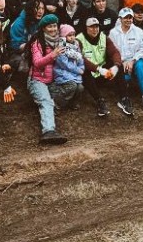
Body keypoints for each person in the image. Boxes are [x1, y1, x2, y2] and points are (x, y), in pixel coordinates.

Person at [26, 14, 79, 145]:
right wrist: (52, 55)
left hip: (53, 80)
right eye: (49, 26)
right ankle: (48, 131)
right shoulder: (37, 42)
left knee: (73, 86)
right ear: (43, 28)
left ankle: (52, 107)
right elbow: (37, 63)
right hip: (37, 80)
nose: (53, 29)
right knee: (46, 101)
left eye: (55, 25)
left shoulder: (60, 41)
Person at [76, 16, 123, 118]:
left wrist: (115, 66)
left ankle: (124, 98)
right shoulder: (79, 39)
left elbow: (115, 52)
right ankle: (100, 100)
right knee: (82, 69)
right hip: (89, 75)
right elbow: (80, 59)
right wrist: (98, 69)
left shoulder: (103, 37)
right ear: (86, 28)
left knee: (119, 64)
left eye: (97, 27)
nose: (95, 29)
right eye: (91, 27)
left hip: (103, 73)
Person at [108, 7, 143, 113]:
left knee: (140, 66)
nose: (128, 20)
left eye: (130, 17)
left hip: (136, 59)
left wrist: (132, 61)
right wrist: (122, 62)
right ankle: (124, 98)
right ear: (120, 19)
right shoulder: (113, 32)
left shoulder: (138, 31)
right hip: (121, 61)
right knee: (125, 79)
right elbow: (111, 50)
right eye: (125, 18)